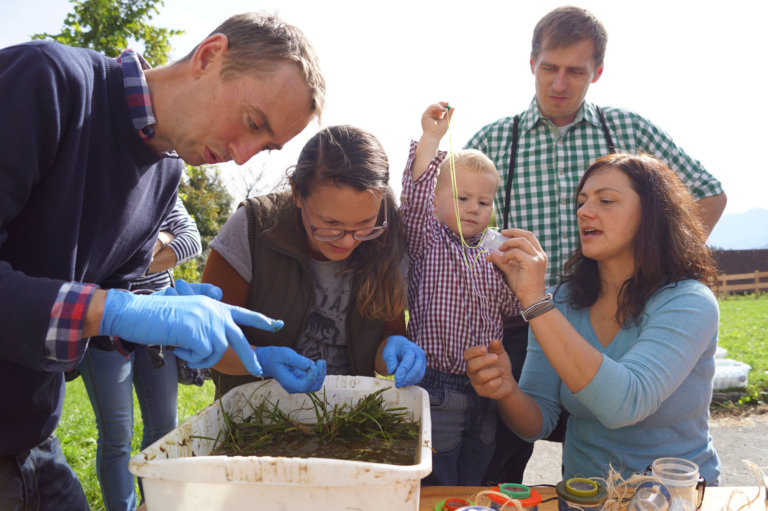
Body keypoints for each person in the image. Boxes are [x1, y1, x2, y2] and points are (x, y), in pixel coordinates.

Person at [0, 12, 325, 510]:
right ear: (209, 55)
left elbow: (111, 307)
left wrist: (235, 351)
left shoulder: (164, 174)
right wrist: (117, 309)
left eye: (266, 146)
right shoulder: (48, 82)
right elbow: (104, 307)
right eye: (252, 123)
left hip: (28, 439)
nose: (242, 156)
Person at [464, 5, 726, 484]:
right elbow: (458, 224)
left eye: (575, 72)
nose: (559, 83)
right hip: (532, 314)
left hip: (583, 303)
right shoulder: (495, 139)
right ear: (531, 63)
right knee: (500, 461)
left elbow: (708, 192)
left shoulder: (628, 130)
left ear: (597, 72)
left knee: (621, 410)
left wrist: (657, 269)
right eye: (549, 68)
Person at [464, 153, 722, 484]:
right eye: (582, 200)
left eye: (606, 200)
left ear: (653, 216)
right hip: (584, 497)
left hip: (674, 497)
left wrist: (534, 300)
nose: (584, 211)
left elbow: (624, 404)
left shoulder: (689, 302)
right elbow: (536, 422)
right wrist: (506, 390)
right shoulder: (565, 302)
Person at [202, 125, 427, 398]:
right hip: (255, 412)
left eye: (365, 224)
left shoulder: (386, 238)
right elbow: (209, 339)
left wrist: (395, 348)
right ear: (297, 193)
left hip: (348, 411)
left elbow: (383, 345)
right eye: (331, 224)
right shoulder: (252, 227)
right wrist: (262, 359)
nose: (347, 241)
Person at [401, 103, 521, 486]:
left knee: (476, 472)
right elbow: (415, 198)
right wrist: (432, 138)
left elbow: (513, 307)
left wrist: (518, 276)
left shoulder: (492, 249)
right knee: (438, 477)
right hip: (435, 384)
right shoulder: (428, 241)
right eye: (461, 198)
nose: (473, 209)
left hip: (485, 386)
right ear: (436, 202)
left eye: (483, 202)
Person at [77, 197, 202, 511]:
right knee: (117, 435)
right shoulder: (92, 184)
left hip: (158, 322)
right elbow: (94, 256)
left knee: (164, 429)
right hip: (103, 326)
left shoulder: (163, 187)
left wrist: (130, 257)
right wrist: (161, 238)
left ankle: (155, 505)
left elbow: (191, 242)